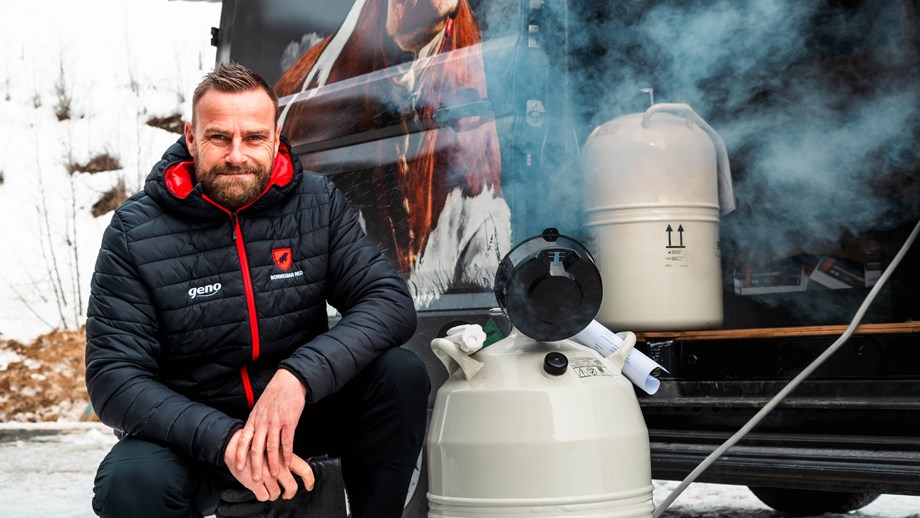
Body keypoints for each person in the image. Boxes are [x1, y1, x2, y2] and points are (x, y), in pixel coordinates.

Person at [85, 62, 429, 518]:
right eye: (218, 137)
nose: (237, 155)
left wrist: (298, 378)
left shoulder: (316, 202)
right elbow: (114, 377)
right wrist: (226, 440)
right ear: (191, 137)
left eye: (253, 137)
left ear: (275, 136)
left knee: (399, 374)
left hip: (297, 416)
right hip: (196, 439)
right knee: (129, 482)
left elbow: (388, 302)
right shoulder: (135, 231)